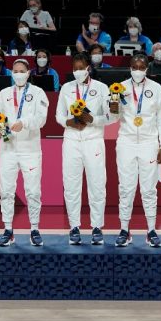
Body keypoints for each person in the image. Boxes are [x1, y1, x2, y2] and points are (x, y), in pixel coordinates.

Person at [108, 54, 161, 247]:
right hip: (126, 141)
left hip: (149, 142)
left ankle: (151, 231)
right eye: (135, 67)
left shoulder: (156, 88)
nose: (138, 70)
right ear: (130, 68)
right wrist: (113, 107)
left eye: (141, 67)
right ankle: (124, 230)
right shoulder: (119, 88)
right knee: (126, 188)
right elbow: (112, 119)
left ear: (147, 69)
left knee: (149, 189)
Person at [55, 52, 110, 246]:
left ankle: (97, 227)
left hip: (93, 139)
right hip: (71, 140)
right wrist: (69, 122)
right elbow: (58, 116)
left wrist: (93, 120)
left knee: (96, 184)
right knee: (71, 185)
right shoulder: (66, 88)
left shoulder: (102, 88)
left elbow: (111, 117)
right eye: (75, 68)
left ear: (89, 67)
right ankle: (74, 227)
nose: (78, 71)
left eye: (81, 67)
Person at [0, 59, 49, 247]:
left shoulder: (38, 92)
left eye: (21, 71)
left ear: (28, 73)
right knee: (6, 191)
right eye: (15, 71)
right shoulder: (4, 94)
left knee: (33, 191)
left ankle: (34, 229)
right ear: (11, 73)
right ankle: (8, 229)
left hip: (30, 149)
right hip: (8, 149)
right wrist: (0, 128)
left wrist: (23, 123)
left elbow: (41, 119)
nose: (18, 74)